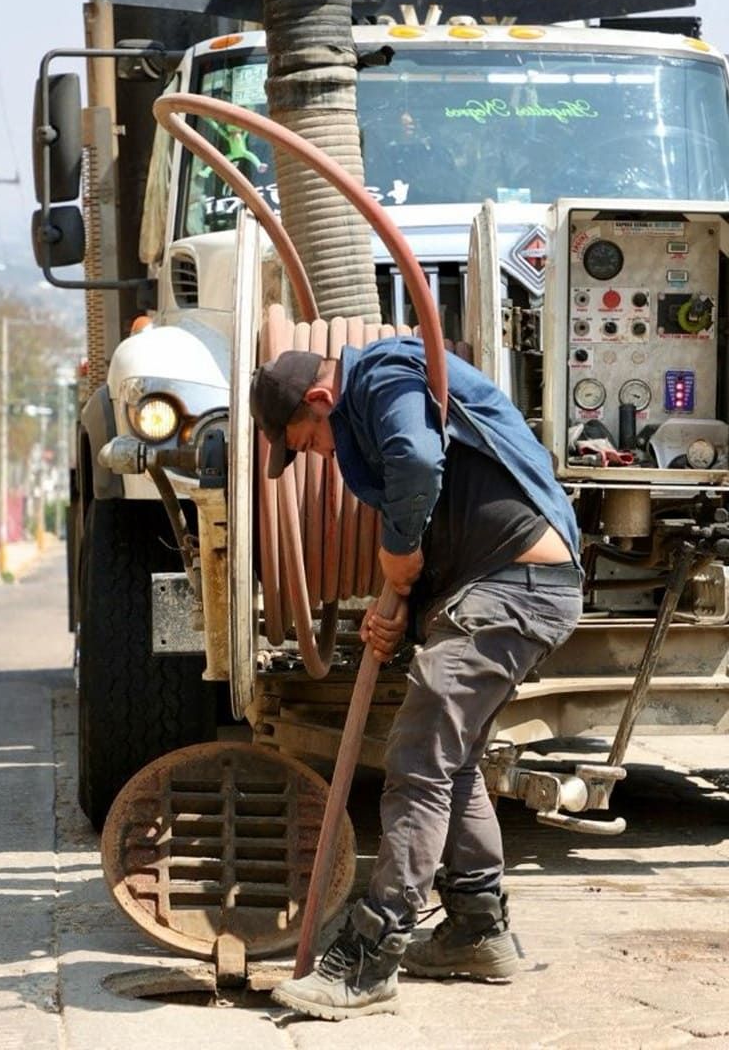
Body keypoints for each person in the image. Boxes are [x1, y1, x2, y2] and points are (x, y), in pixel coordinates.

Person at [251, 333, 583, 1021]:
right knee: (450, 763)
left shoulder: (380, 373)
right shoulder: (376, 395)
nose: (313, 454)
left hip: (515, 587)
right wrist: (393, 598)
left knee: (417, 762)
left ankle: (371, 958)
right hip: (506, 589)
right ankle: (475, 930)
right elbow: (439, 502)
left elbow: (417, 458)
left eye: (305, 441)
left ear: (319, 398)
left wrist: (395, 552)